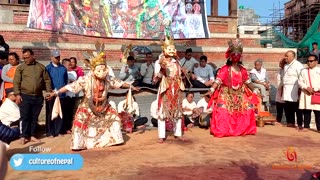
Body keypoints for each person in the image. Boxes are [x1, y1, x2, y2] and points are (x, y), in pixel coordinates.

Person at [47, 43, 139, 151]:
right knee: (79, 124)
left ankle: (114, 140)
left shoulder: (108, 78)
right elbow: (70, 86)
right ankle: (78, 144)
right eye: (99, 70)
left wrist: (131, 86)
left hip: (104, 107)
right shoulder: (86, 79)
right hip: (88, 107)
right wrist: (56, 93)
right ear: (94, 69)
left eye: (103, 69)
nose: (101, 72)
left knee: (114, 120)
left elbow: (119, 83)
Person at [208, 39, 259, 137]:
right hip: (226, 95)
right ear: (230, 56)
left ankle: (244, 130)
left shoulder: (243, 70)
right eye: (234, 54)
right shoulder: (225, 69)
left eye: (238, 54)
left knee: (249, 108)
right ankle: (224, 130)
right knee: (222, 111)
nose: (236, 56)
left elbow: (248, 82)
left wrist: (255, 90)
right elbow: (218, 80)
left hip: (239, 95)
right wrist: (211, 89)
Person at [13, 48, 52, 145]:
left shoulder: (41, 67)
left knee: (35, 117)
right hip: (25, 96)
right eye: (24, 58)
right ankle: (24, 136)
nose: (25, 59)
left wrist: (48, 92)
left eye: (27, 57)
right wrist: (17, 94)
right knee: (25, 116)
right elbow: (16, 81)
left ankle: (32, 135)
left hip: (38, 96)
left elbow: (47, 80)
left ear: (33, 56)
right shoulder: (21, 68)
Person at [153, 35, 187, 143]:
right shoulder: (159, 63)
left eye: (173, 49)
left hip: (176, 88)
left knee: (177, 111)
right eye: (169, 49)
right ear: (164, 49)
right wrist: (162, 70)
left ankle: (178, 133)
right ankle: (161, 135)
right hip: (165, 88)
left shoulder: (178, 62)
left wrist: (185, 74)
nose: (172, 50)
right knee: (163, 111)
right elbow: (155, 80)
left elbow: (181, 76)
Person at [45, 50, 68, 137]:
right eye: (55, 57)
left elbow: (65, 81)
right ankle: (50, 131)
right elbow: (46, 81)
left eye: (58, 57)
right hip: (51, 94)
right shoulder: (48, 68)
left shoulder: (63, 68)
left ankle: (58, 131)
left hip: (61, 95)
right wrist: (50, 91)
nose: (57, 58)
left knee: (60, 113)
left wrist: (62, 90)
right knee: (51, 113)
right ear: (51, 57)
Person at [298, 54, 320, 132]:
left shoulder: (319, 70)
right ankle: (306, 126)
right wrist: (306, 88)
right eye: (308, 61)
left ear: (316, 62)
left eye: (311, 61)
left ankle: (319, 128)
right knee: (306, 110)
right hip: (306, 93)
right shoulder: (303, 71)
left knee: (318, 112)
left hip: (316, 93)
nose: (309, 62)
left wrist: (315, 89)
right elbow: (300, 81)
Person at [281, 50, 304, 128]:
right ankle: (290, 122)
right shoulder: (286, 65)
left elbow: (301, 77)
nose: (285, 57)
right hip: (286, 87)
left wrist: (299, 89)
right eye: (285, 55)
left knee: (296, 106)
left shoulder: (298, 65)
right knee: (287, 106)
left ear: (292, 56)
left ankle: (300, 123)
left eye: (287, 56)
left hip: (294, 88)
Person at [275, 58, 286, 124]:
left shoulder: (287, 70)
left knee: (285, 106)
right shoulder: (279, 70)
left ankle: (289, 121)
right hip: (279, 89)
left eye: (281, 63)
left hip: (284, 89)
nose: (279, 65)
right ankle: (278, 119)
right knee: (278, 105)